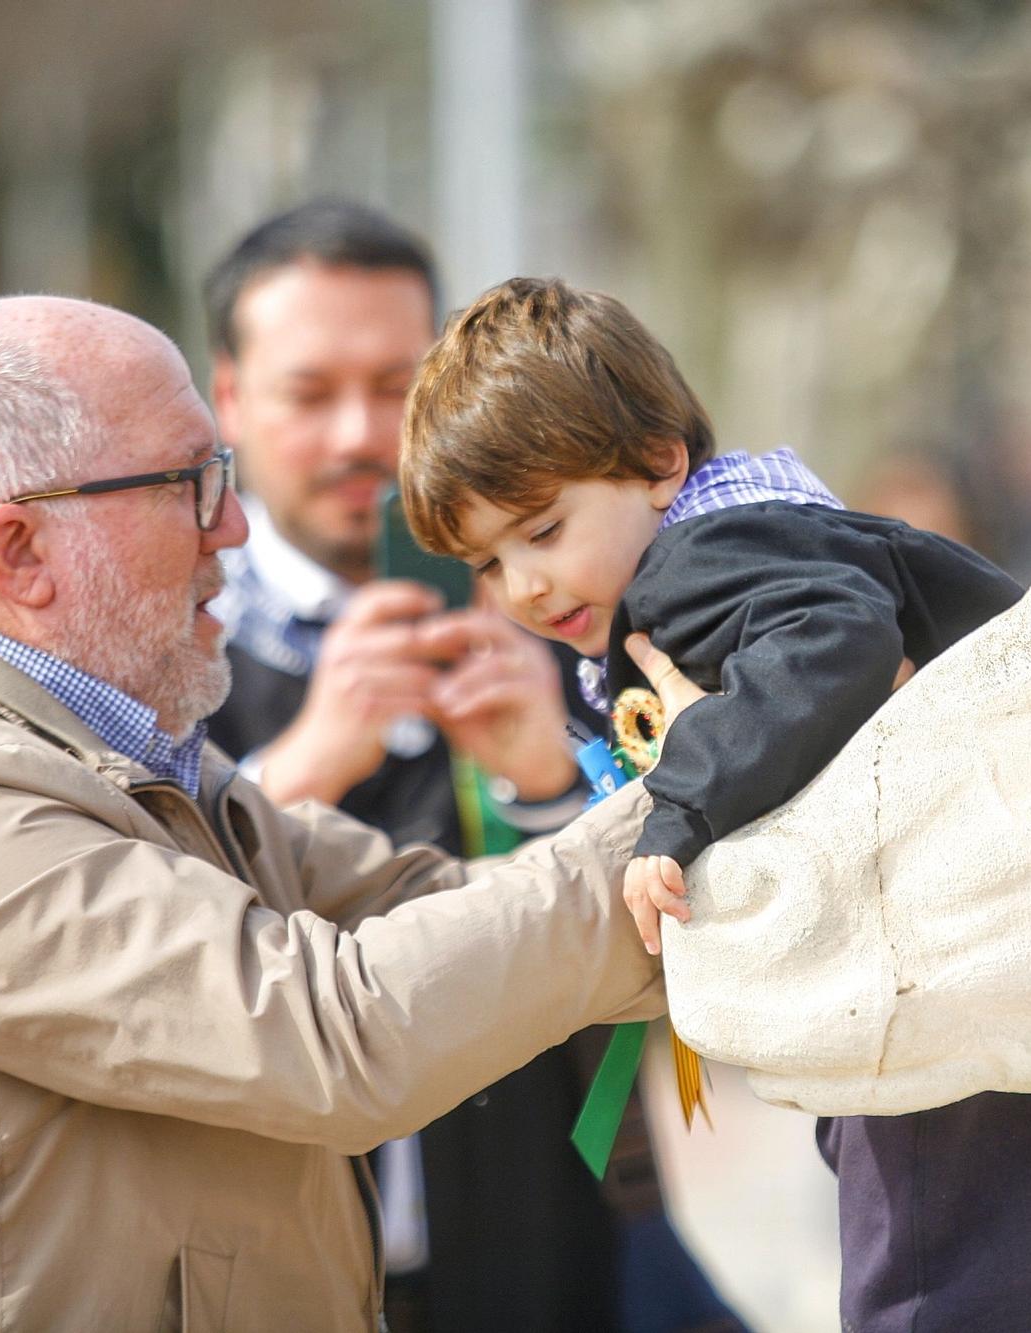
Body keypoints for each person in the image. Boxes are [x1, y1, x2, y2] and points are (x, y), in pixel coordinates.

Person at [0, 293, 688, 1331]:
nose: (233, 528)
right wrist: (708, 789)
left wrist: (626, 810)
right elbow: (336, 1032)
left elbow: (424, 903)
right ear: (18, 552)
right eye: (190, 484)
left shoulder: (115, 751)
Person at [401, 276, 1031, 1332]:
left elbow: (835, 645)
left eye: (542, 527)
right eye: (487, 561)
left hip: (947, 1007)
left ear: (661, 461)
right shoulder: (775, 529)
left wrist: (679, 804)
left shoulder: (698, 563)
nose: (523, 585)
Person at [201, 198, 737, 1332]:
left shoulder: (581, 609)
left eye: (395, 386)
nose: (358, 434)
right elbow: (118, 928)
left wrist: (550, 782)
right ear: (229, 401)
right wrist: (299, 763)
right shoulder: (172, 650)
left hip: (554, 1252)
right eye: (309, 392)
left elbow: (694, 959)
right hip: (271, 1275)